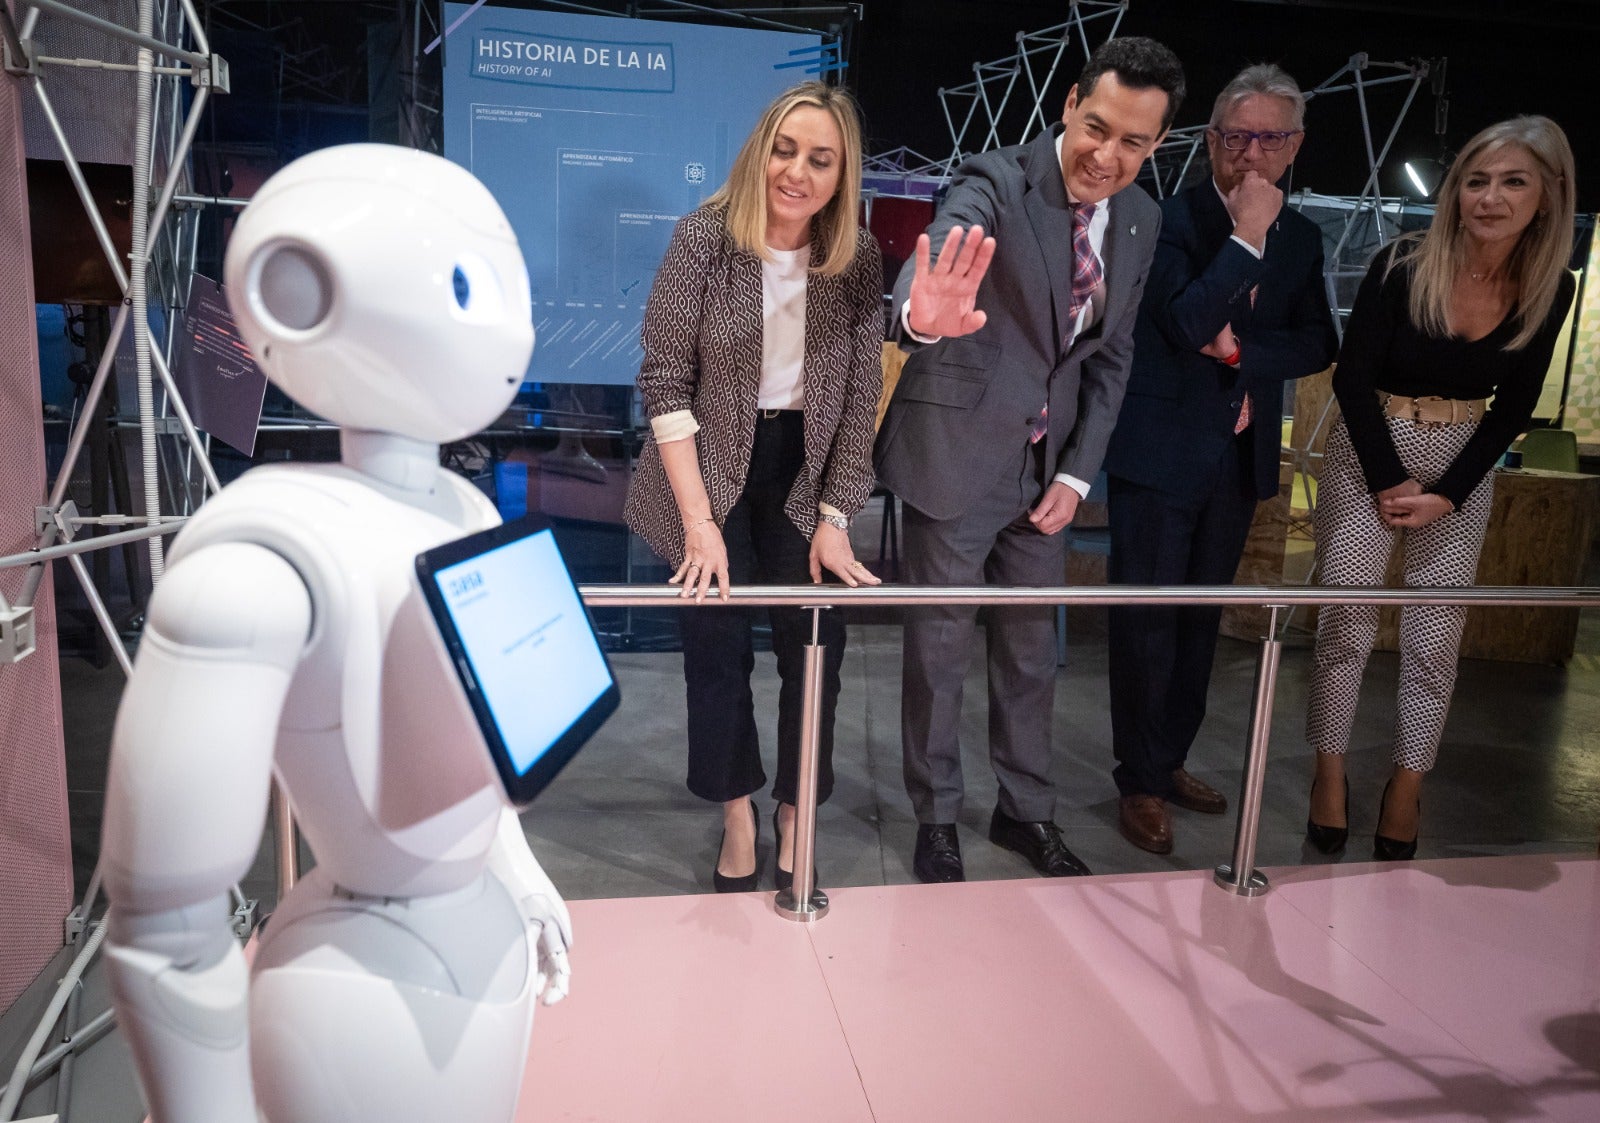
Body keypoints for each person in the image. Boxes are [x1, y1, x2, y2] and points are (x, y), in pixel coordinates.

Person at [101, 145, 573, 1123]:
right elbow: (165, 913)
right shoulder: (265, 555)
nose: (510, 326)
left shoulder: (463, 507)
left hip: (485, 947)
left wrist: (516, 867)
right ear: (294, 288)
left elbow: (482, 738)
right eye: (467, 283)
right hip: (355, 994)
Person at [875, 38, 1185, 883]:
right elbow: (943, 251)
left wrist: (1079, 473)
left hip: (1048, 474)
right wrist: (921, 310)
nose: (1108, 155)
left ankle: (1025, 811)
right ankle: (936, 817)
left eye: (1135, 142)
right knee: (938, 650)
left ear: (1157, 144)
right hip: (956, 456)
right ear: (1070, 102)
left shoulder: (1143, 218)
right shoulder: (997, 179)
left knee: (1029, 654)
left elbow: (1111, 356)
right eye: (1097, 127)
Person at [623, 81, 884, 894]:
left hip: (805, 468)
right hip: (707, 465)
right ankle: (737, 809)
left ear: (842, 175)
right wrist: (699, 523)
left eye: (820, 159)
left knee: (817, 646)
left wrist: (836, 513)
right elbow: (664, 381)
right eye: (784, 149)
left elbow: (859, 395)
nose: (796, 172)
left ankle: (795, 810)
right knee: (716, 645)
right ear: (759, 149)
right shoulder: (703, 236)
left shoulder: (858, 258)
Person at [1305, 115, 1577, 860]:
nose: (1489, 198)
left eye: (1512, 182)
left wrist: (1448, 492)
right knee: (1345, 632)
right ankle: (1328, 772)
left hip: (1462, 463)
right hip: (1371, 449)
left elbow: (1514, 407)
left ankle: (1406, 784)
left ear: (1547, 197)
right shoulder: (1401, 262)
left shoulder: (1553, 289)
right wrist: (1392, 478)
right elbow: (1353, 378)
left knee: (1434, 643)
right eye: (1476, 182)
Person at [1101, 64, 1337, 855]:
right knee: (1146, 625)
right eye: (1238, 136)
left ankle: (1168, 761)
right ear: (1211, 141)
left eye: (1270, 138)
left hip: (1235, 462)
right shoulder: (1167, 220)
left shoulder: (1306, 237)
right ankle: (1137, 777)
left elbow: (1317, 340)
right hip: (1158, 453)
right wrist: (1245, 237)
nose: (1252, 155)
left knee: (1200, 625)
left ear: (1295, 145)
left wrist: (1243, 352)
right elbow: (1184, 318)